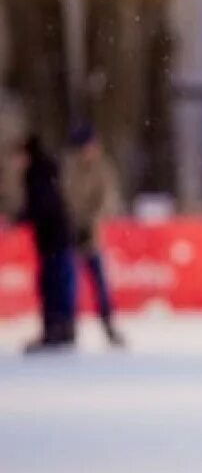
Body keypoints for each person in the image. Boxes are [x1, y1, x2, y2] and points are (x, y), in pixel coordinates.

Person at [61, 124, 125, 348]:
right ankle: (68, 324)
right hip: (70, 233)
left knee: (98, 282)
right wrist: (73, 222)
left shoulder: (102, 167)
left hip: (92, 234)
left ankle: (107, 323)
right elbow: (64, 198)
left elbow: (108, 198)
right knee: (69, 283)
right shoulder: (68, 168)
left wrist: (91, 222)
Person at [13, 135, 77, 353]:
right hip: (54, 237)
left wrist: (20, 217)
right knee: (58, 284)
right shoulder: (47, 170)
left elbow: (42, 205)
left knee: (52, 285)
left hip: (52, 239)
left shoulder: (36, 173)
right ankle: (62, 327)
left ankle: (56, 328)